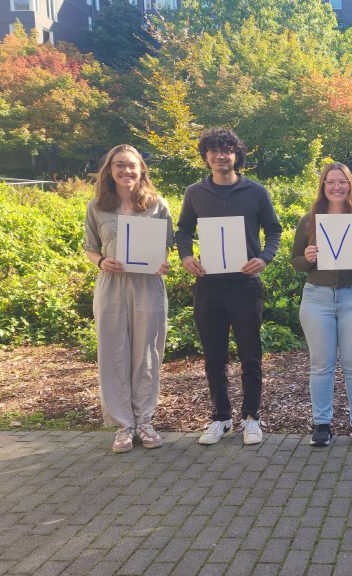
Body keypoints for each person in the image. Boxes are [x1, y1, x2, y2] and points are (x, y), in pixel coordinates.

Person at [175, 128, 283, 446]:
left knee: (251, 356)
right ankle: (220, 418)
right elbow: (183, 231)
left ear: (237, 156)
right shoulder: (195, 192)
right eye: (214, 150)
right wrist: (185, 257)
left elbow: (274, 230)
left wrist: (264, 258)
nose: (221, 155)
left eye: (228, 150)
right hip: (208, 286)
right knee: (214, 358)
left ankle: (251, 418)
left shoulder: (256, 191)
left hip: (245, 285)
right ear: (206, 156)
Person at [84, 144, 173, 454]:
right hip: (111, 287)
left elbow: (166, 249)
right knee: (113, 353)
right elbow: (90, 247)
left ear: (141, 170)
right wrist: (99, 262)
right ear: (109, 170)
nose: (126, 171)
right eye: (119, 165)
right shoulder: (97, 207)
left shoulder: (158, 205)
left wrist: (163, 263)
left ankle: (145, 422)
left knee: (147, 353)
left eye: (132, 166)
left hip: (148, 286)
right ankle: (124, 425)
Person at [291, 162, 352, 447]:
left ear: (350, 185)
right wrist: (308, 258)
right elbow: (296, 262)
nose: (337, 187)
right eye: (331, 182)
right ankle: (322, 425)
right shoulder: (309, 221)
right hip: (317, 298)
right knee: (321, 365)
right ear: (323, 186)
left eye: (342, 182)